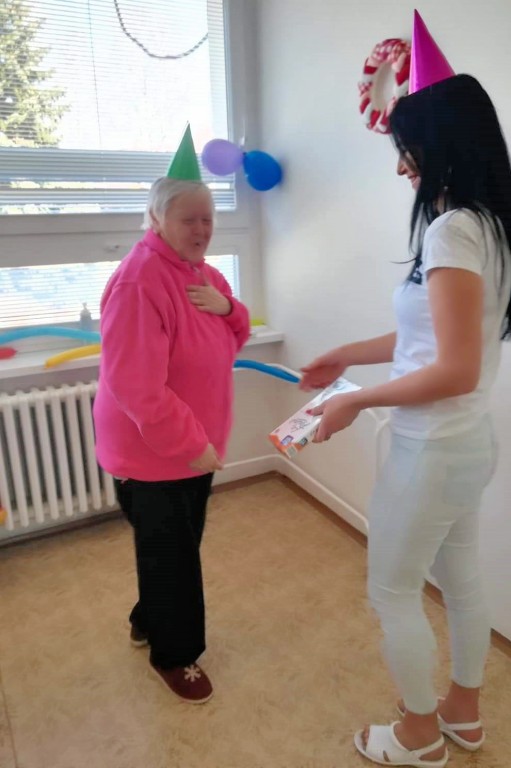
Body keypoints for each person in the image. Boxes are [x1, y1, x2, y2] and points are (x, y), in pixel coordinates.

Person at [300, 14, 511, 768]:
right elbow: (429, 342)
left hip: (431, 448)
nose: (401, 166)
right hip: (465, 444)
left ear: (443, 144)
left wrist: (355, 400)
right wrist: (344, 356)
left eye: (408, 148)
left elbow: (453, 369)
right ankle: (464, 714)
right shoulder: (486, 225)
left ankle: (419, 735)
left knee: (393, 591)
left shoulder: (451, 231)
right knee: (460, 580)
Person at [93, 127, 250, 703]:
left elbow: (235, 337)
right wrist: (191, 444)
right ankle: (175, 655)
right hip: (155, 450)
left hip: (191, 445)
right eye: (189, 220)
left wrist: (228, 307)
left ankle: (147, 617)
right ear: (158, 220)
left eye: (208, 218)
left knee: (172, 546)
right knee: (174, 554)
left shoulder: (203, 273)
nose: (202, 229)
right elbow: (137, 387)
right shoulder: (140, 281)